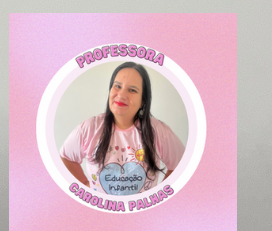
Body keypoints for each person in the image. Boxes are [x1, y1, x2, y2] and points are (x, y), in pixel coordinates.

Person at [60, 62, 185, 198]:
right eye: (118, 86)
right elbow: (66, 158)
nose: (121, 94)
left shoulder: (159, 131)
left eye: (132, 90)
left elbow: (183, 164)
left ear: (143, 101)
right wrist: (84, 184)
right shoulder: (89, 128)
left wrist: (159, 195)